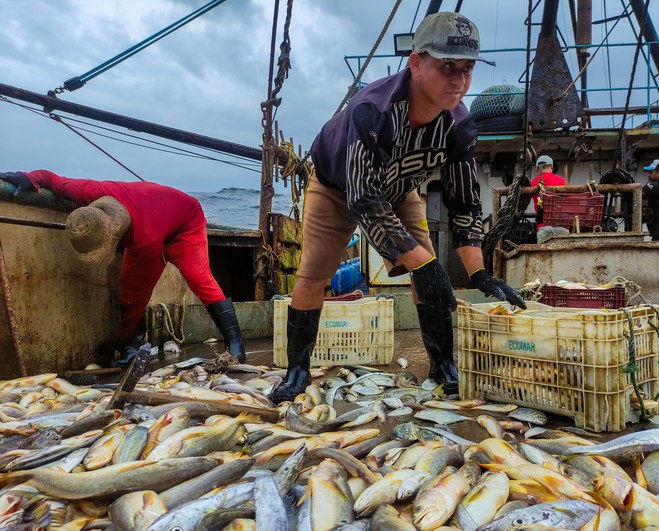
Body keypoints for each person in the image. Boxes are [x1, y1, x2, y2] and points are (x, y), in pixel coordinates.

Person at [269, 12, 527, 404]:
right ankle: (297, 370)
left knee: (426, 274)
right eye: (446, 67)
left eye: (467, 69)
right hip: (339, 188)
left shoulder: (459, 128)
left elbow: (464, 204)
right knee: (313, 273)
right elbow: (363, 200)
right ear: (416, 62)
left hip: (399, 189)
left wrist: (478, 273)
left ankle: (442, 365)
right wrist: (421, 261)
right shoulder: (372, 111)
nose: (458, 81)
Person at [0, 170, 246, 366]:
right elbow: (53, 179)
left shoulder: (145, 241)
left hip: (186, 218)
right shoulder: (91, 193)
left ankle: (235, 345)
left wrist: (123, 339)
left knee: (198, 278)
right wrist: (30, 177)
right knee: (131, 285)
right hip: (153, 212)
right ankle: (131, 344)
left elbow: (138, 294)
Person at [530, 154, 567, 228]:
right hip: (562, 225)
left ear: (537, 169)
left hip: (542, 226)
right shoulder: (563, 181)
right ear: (552, 167)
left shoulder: (532, 183)